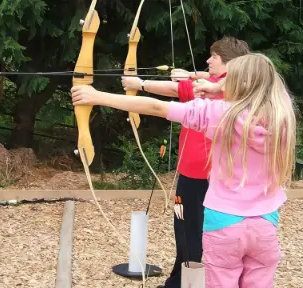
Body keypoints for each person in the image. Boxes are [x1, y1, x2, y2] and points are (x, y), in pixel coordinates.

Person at [71, 53, 294, 287]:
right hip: (264, 221)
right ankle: (179, 276)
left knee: (195, 241)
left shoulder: (217, 112)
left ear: (237, 80)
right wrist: (216, 87)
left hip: (217, 212)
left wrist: (102, 95)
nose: (210, 64)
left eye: (216, 59)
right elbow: (264, 89)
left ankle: (180, 280)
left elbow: (157, 105)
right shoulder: (282, 115)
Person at [120, 36, 250, 288]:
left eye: (214, 56)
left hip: (199, 179)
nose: (209, 60)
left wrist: (139, 83)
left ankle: (186, 282)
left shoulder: (213, 87)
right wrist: (192, 73)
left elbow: (172, 91)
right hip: (196, 177)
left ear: (229, 63)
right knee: (186, 226)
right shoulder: (230, 86)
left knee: (189, 230)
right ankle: (183, 279)